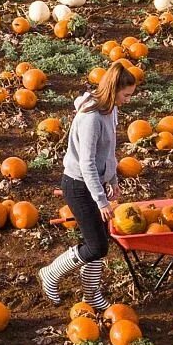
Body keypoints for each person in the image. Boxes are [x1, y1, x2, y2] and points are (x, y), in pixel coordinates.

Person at [38, 61, 140, 313]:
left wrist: (113, 180)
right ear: (114, 90)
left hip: (95, 182)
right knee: (97, 245)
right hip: (78, 185)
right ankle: (50, 273)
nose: (128, 100)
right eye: (126, 95)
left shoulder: (111, 109)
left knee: (98, 240)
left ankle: (91, 295)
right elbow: (86, 164)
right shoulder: (92, 118)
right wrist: (101, 201)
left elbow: (108, 151)